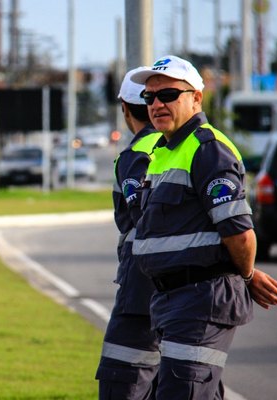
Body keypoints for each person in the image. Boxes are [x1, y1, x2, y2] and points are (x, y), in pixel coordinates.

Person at [129, 55, 277, 399]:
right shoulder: (165, 150)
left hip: (199, 299)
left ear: (196, 98)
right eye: (149, 97)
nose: (156, 103)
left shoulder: (207, 148)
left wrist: (245, 275)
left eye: (168, 94)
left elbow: (240, 232)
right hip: (172, 299)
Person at [95, 67, 162, 400]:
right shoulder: (182, 145)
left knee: (123, 379)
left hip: (143, 290)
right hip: (184, 294)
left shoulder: (137, 154)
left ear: (124, 107)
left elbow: (141, 218)